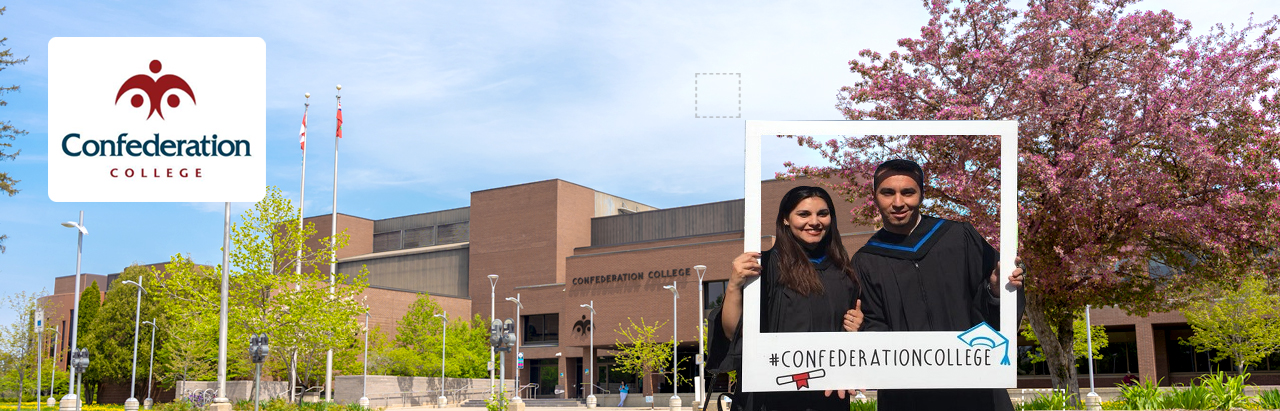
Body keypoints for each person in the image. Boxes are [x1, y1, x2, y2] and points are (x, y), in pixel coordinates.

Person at [853, 159, 1025, 411]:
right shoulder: (866, 260)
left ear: (922, 194)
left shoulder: (959, 237)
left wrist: (997, 291)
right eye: (888, 192)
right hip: (908, 395)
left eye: (908, 192)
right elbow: (873, 327)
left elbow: (994, 306)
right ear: (875, 196)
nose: (898, 202)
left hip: (975, 387)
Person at [707, 186, 865, 411]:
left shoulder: (844, 273)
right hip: (770, 396)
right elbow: (733, 332)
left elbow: (849, 338)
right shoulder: (766, 267)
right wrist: (733, 285)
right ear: (785, 220)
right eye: (803, 214)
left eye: (823, 213)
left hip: (826, 395)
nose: (815, 221)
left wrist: (857, 324)